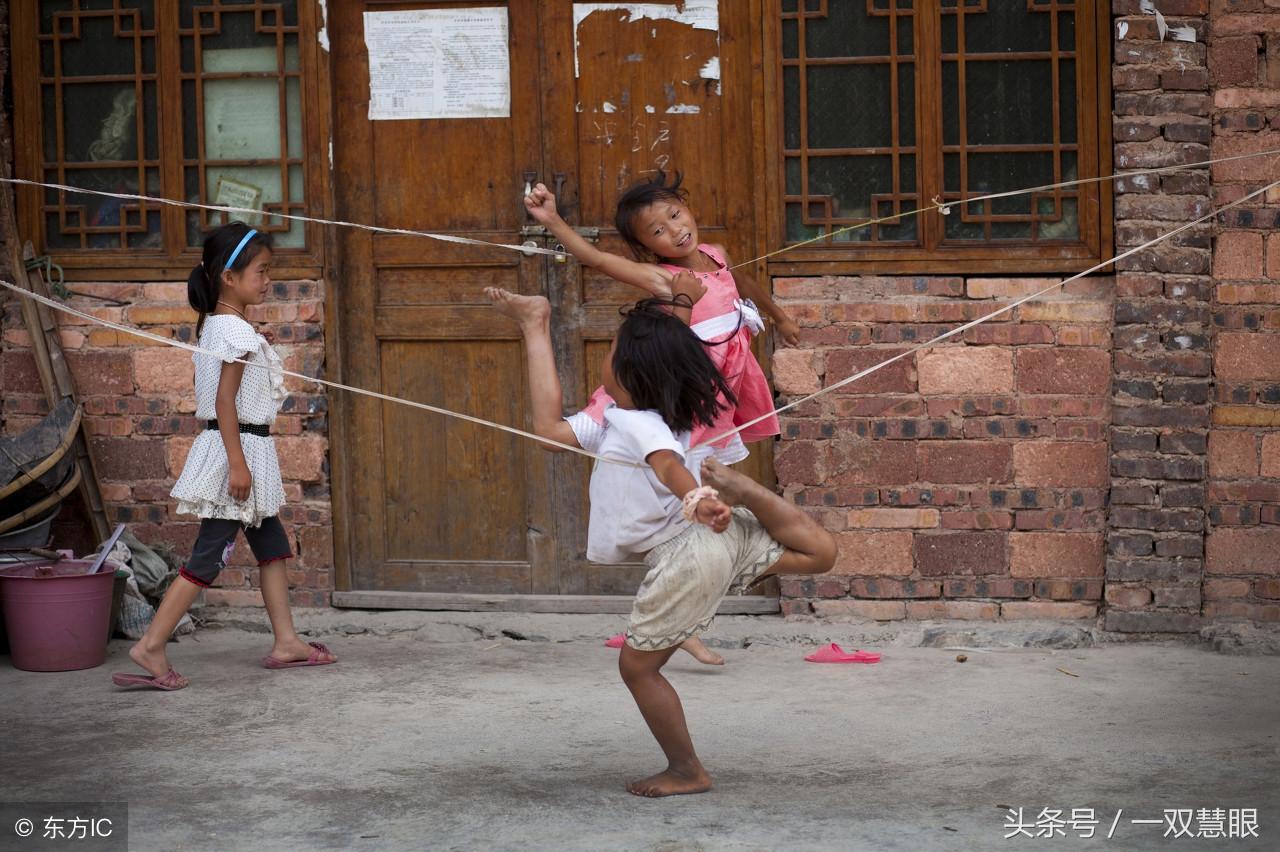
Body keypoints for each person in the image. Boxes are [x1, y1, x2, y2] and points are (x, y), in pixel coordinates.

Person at [486, 286, 837, 797]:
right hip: (709, 540)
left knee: (637, 667)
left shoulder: (634, 422)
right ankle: (745, 493)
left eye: (610, 353)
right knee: (819, 555)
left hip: (688, 551)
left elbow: (666, 465)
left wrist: (695, 498)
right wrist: (532, 325)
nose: (604, 362)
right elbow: (548, 429)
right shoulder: (644, 416)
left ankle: (686, 770)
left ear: (631, 375)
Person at [111, 222, 335, 691]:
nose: (267, 279)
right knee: (208, 558)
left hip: (244, 449)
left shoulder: (223, 326)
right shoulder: (232, 332)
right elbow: (224, 403)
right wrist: (237, 463)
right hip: (237, 453)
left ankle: (287, 641)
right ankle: (151, 645)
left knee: (272, 549)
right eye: (261, 270)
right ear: (228, 277)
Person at [524, 171, 800, 468]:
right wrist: (552, 220)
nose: (675, 230)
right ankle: (534, 323)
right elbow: (597, 259)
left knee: (695, 466)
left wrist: (780, 318)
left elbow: (743, 285)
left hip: (704, 391)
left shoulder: (716, 254)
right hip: (658, 391)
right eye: (657, 231)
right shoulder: (661, 278)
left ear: (685, 205)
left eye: (675, 214)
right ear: (647, 247)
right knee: (558, 438)